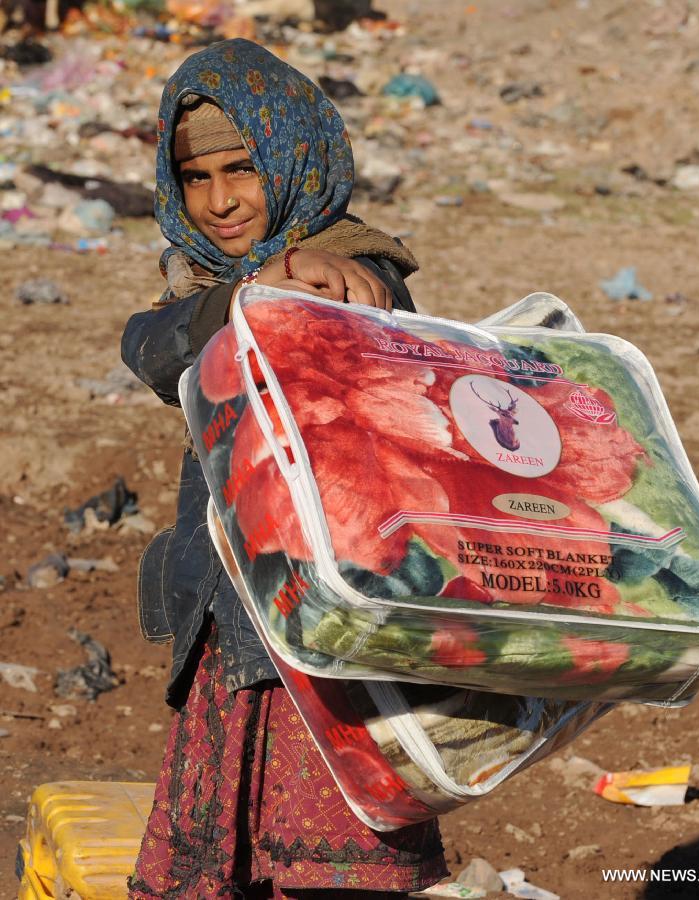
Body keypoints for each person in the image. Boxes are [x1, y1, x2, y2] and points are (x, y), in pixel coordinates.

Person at [122, 39, 448, 899]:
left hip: (333, 629)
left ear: (294, 154)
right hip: (234, 620)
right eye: (197, 178)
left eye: (244, 169)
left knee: (329, 869)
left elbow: (356, 336)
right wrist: (250, 287)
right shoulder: (211, 285)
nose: (221, 200)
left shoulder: (360, 273)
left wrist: (297, 284)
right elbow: (153, 349)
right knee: (232, 863)